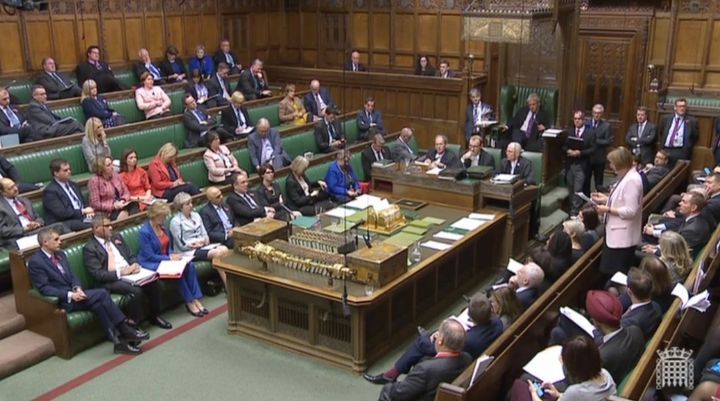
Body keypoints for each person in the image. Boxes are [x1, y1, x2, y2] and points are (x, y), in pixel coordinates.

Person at [29, 227, 148, 355]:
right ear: (45, 242)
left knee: (99, 305)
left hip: (78, 294)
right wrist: (70, 295)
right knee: (102, 293)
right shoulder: (36, 262)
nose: (60, 242)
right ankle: (126, 328)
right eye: (56, 239)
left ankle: (119, 342)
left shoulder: (61, 255)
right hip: (64, 301)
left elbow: (72, 276)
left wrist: (77, 288)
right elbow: (44, 288)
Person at [365, 293, 501, 386]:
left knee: (422, 343)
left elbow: (455, 346)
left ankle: (391, 374)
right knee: (429, 339)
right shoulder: (497, 323)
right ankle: (431, 334)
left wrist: (442, 336)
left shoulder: (469, 340)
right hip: (472, 353)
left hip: (458, 358)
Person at [83, 214, 171, 329]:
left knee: (155, 283)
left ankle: (155, 316)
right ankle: (134, 324)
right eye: (107, 226)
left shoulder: (116, 237)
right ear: (96, 228)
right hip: (111, 280)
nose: (111, 228)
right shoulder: (90, 248)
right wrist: (122, 273)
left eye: (111, 225)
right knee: (136, 291)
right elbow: (98, 275)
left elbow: (130, 255)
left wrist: (135, 264)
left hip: (131, 273)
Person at [548, 290, 645, 381]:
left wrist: (564, 363)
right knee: (559, 332)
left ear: (595, 322)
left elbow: (578, 379)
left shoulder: (600, 358)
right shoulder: (635, 331)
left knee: (557, 332)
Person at [138, 202, 207, 317]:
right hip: (151, 263)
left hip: (166, 259)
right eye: (163, 216)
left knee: (189, 266)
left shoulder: (163, 227)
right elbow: (149, 256)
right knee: (176, 273)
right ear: (154, 215)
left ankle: (195, 298)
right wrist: (169, 258)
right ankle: (189, 301)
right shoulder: (144, 232)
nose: (164, 219)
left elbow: (168, 247)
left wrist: (173, 256)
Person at [376, 319, 471, 401]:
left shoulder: (425, 369)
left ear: (440, 340)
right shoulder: (467, 358)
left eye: (438, 334)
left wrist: (389, 387)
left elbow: (398, 393)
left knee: (387, 392)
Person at [512, 335, 616, 401]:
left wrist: (533, 393)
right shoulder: (605, 374)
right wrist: (559, 394)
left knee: (519, 385)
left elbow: (579, 396)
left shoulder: (575, 391)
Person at [590, 147, 643, 276]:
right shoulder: (626, 176)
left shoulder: (632, 180)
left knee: (616, 275)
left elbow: (630, 211)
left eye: (612, 163)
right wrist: (606, 199)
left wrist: (606, 209)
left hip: (622, 238)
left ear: (620, 163)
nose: (611, 166)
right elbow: (623, 200)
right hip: (616, 234)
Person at [169, 192, 230, 286]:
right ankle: (228, 286)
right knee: (217, 253)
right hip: (187, 252)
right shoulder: (175, 222)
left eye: (191, 202)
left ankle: (228, 282)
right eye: (187, 204)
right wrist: (197, 243)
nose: (191, 205)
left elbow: (205, 233)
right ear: (180, 207)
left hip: (202, 246)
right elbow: (181, 244)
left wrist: (205, 240)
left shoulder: (196, 215)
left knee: (225, 249)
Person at [1, 178, 67, 249]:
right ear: (2, 192)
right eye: (10, 188)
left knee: (60, 227)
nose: (15, 189)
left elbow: (38, 218)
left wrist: (37, 223)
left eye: (14, 185)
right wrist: (24, 229)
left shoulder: (24, 200)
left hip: (35, 231)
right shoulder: (1, 207)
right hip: (19, 236)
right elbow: (2, 230)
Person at [643, 192, 711, 259]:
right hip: (669, 248)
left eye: (684, 202)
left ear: (693, 207)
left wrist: (654, 251)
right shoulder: (692, 218)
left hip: (674, 261)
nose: (679, 203)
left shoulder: (692, 230)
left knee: (637, 248)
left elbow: (678, 253)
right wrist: (657, 247)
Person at [42, 158, 94, 231]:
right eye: (65, 170)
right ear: (56, 173)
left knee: (104, 218)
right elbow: (62, 213)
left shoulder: (73, 184)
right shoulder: (50, 191)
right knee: (94, 225)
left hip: (82, 216)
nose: (69, 172)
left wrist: (89, 211)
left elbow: (83, 202)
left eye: (69, 169)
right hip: (65, 222)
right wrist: (83, 211)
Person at [566, 110, 597, 216]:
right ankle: (572, 208)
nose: (577, 121)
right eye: (575, 119)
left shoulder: (590, 133)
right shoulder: (570, 131)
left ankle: (575, 212)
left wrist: (580, 153)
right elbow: (564, 146)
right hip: (570, 165)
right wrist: (568, 151)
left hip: (582, 165)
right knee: (571, 187)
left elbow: (593, 149)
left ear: (584, 120)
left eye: (579, 119)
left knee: (578, 189)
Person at [88, 156, 138, 221]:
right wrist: (113, 206)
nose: (112, 167)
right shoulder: (94, 181)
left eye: (112, 164)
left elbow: (126, 192)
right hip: (108, 210)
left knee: (135, 204)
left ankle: (130, 221)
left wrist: (123, 200)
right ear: (101, 168)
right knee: (123, 213)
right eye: (108, 165)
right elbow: (95, 203)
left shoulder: (116, 175)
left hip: (121, 203)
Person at [660, 98, 698, 164]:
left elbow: (695, 136)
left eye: (683, 106)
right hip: (665, 150)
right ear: (675, 107)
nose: (682, 108)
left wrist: (687, 147)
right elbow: (661, 132)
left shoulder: (692, 121)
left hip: (680, 151)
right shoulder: (666, 118)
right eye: (679, 106)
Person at [588, 104, 613, 193]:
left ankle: (598, 200)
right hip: (587, 157)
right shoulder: (587, 123)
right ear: (592, 113)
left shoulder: (606, 126)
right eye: (595, 113)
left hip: (599, 158)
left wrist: (594, 141)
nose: (596, 115)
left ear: (602, 114)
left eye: (598, 113)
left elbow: (608, 141)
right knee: (586, 180)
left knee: (598, 182)